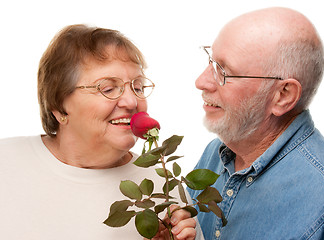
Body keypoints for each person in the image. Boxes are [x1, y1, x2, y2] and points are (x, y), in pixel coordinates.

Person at [0, 24, 199, 240]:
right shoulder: (6, 161)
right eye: (108, 88)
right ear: (59, 107)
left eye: (138, 87)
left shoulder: (166, 192)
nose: (132, 101)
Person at [187, 7, 324, 240]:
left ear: (283, 95)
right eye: (211, 60)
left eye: (223, 71)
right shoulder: (214, 154)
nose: (201, 81)